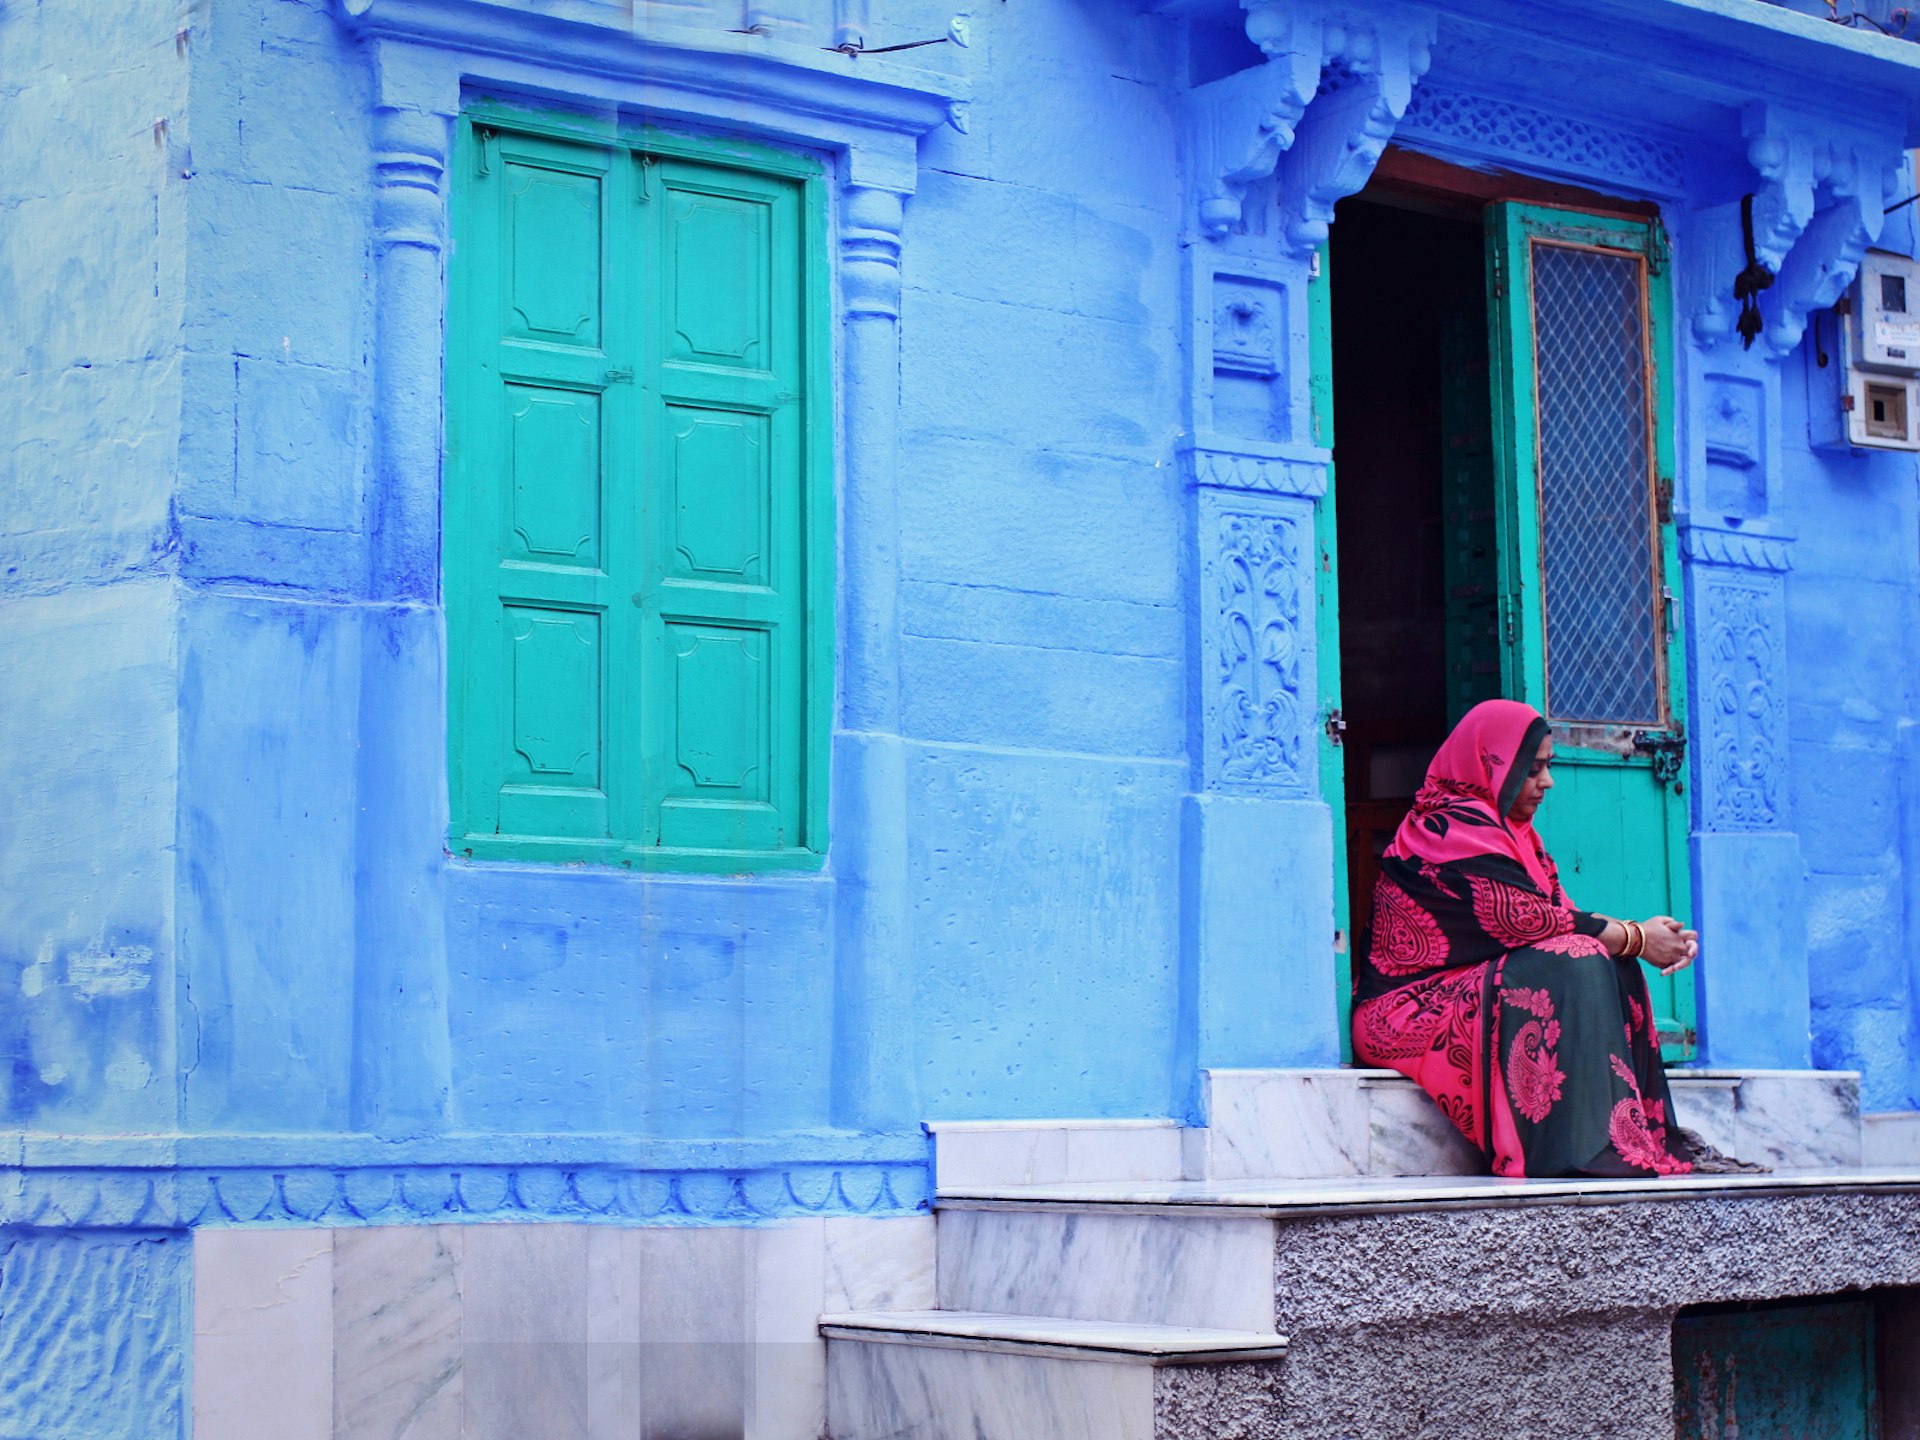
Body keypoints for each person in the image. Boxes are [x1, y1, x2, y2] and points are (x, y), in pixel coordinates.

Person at [1350, 698, 1762, 1178]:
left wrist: (1642, 938)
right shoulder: (1445, 828)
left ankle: (1631, 1138)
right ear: (1490, 764)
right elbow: (1523, 918)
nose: (1547, 782)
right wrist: (1635, 936)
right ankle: (1572, 1149)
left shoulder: (1515, 835)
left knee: (1602, 957)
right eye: (1533, 769)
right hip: (1403, 1010)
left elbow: (1559, 916)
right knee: (1579, 956)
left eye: (1545, 767)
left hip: (1466, 989)